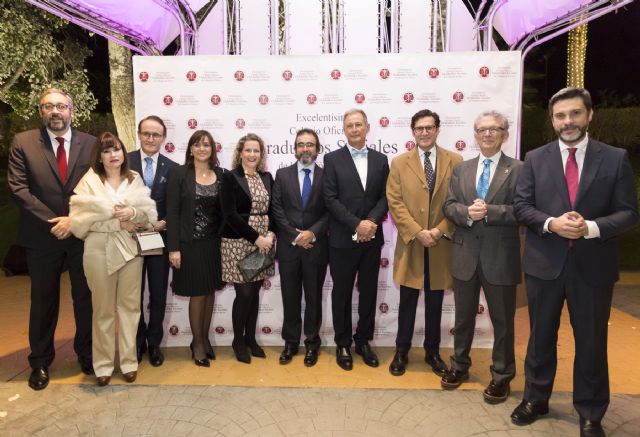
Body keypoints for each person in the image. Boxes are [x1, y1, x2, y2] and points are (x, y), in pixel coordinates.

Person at [511, 87, 638, 437]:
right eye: (561, 116)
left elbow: (629, 212)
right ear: (552, 120)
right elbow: (522, 207)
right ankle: (536, 399)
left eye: (575, 114)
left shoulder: (614, 158)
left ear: (589, 115)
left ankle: (591, 413)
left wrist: (590, 228)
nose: (568, 122)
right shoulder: (535, 158)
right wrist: (552, 224)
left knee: (592, 342)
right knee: (540, 338)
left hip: (592, 268)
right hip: (543, 266)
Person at [8, 88, 94, 390]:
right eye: (48, 106)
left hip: (81, 234)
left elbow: (96, 189)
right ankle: (41, 361)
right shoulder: (23, 143)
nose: (55, 111)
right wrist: (53, 222)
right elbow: (19, 189)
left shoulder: (91, 144)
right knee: (43, 300)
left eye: (61, 106)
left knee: (85, 298)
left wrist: (75, 220)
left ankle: (87, 354)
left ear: (72, 110)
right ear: (41, 111)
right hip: (41, 237)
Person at [441, 110, 522, 404]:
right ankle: (459, 366)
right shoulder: (462, 169)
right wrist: (466, 213)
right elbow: (449, 206)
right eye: (482, 130)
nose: (488, 134)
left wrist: (491, 211)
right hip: (465, 257)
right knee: (462, 319)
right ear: (475, 136)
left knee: (502, 322)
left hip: (500, 258)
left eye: (495, 129)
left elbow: (525, 210)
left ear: (505, 135)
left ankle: (502, 376)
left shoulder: (519, 169)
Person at [69, 132, 157, 386]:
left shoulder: (134, 178)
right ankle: (103, 365)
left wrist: (134, 212)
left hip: (130, 249)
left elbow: (149, 215)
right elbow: (79, 221)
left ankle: (129, 362)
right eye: (107, 151)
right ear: (99, 156)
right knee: (103, 310)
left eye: (117, 149)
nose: (113, 155)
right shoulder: (89, 182)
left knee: (130, 308)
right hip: (98, 249)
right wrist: (116, 219)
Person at [386, 109, 462, 377]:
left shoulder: (455, 160)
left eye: (429, 127)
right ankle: (401, 351)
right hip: (412, 243)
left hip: (440, 244)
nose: (424, 132)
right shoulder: (399, 163)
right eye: (419, 128)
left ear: (438, 129)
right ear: (413, 131)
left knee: (435, 301)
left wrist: (440, 230)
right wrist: (418, 231)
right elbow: (395, 202)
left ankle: (433, 352)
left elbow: (458, 202)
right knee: (407, 300)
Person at [323, 109, 389, 371]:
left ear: (367, 127)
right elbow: (330, 198)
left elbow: (386, 196)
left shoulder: (381, 159)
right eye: (349, 125)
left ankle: (363, 341)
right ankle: (342, 343)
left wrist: (370, 223)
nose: (354, 129)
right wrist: (356, 224)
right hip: (341, 238)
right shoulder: (331, 159)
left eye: (358, 124)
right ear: (344, 129)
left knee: (369, 292)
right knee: (341, 293)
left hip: (372, 238)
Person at [166, 130, 225, 367]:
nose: (202, 148)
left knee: (210, 291)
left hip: (214, 245)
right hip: (189, 246)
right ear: (190, 148)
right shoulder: (179, 174)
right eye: (198, 144)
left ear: (213, 149)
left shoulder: (221, 174)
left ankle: (204, 339)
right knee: (198, 293)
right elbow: (172, 212)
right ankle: (198, 342)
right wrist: (174, 249)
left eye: (207, 145)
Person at [272, 129, 329, 367]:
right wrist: (295, 236)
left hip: (316, 248)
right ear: (294, 148)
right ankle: (290, 342)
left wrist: (312, 233)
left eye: (310, 145)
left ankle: (312, 343)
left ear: (317, 149)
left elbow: (330, 210)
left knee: (314, 298)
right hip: (289, 248)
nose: (305, 149)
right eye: (301, 144)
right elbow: (277, 209)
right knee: (290, 297)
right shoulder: (282, 174)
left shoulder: (328, 176)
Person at [220, 133, 275, 364]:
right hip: (239, 242)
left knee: (253, 293)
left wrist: (271, 233)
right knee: (243, 294)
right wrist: (256, 238)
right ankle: (238, 341)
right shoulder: (230, 177)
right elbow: (229, 214)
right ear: (240, 153)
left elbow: (273, 209)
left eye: (256, 151)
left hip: (264, 242)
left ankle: (251, 339)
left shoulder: (267, 177)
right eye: (248, 150)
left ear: (261, 154)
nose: (252, 154)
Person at [128, 115, 178, 366]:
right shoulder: (123, 161)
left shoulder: (173, 168)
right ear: (139, 134)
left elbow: (177, 204)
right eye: (146, 133)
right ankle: (136, 343)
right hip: (128, 239)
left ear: (163, 138)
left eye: (156, 135)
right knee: (133, 295)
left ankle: (154, 343)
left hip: (159, 239)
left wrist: (166, 221)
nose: (150, 138)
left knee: (158, 293)